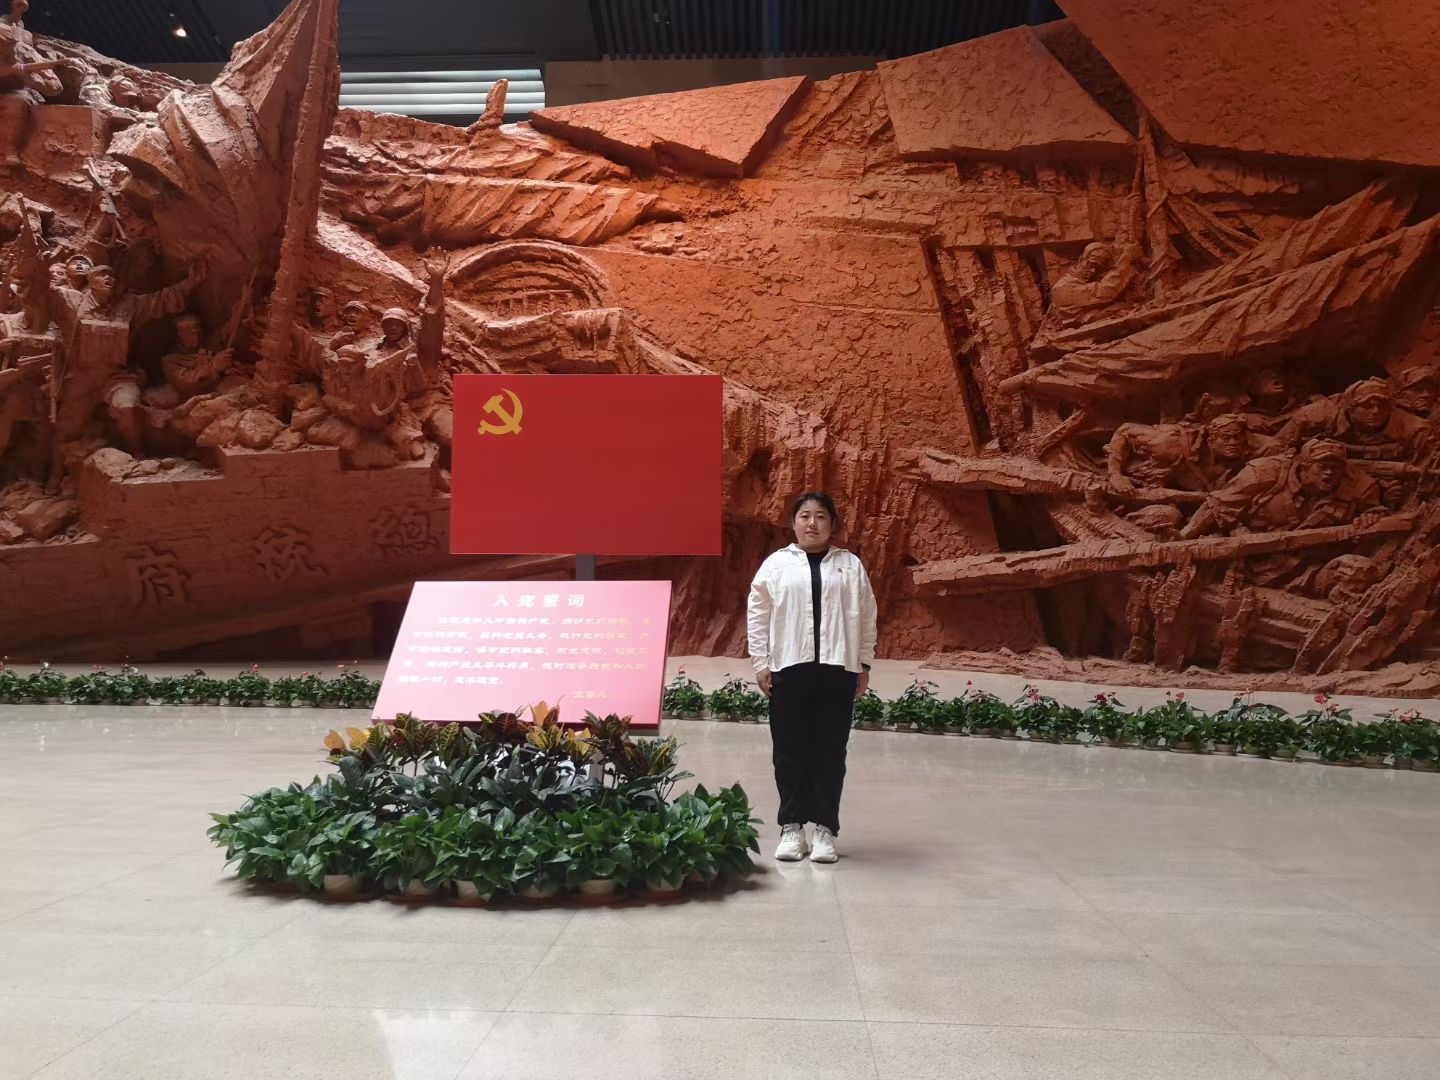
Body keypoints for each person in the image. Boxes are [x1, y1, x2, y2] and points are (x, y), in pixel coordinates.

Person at [746, 492, 877, 865]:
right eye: (804, 515)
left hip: (837, 669)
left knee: (830, 752)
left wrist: (864, 662)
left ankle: (824, 829)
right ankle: (791, 827)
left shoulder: (850, 565)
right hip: (789, 668)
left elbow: (867, 615)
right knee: (789, 751)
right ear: (793, 523)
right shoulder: (776, 565)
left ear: (832, 524)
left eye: (820, 516)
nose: (812, 523)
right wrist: (761, 662)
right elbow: (757, 614)